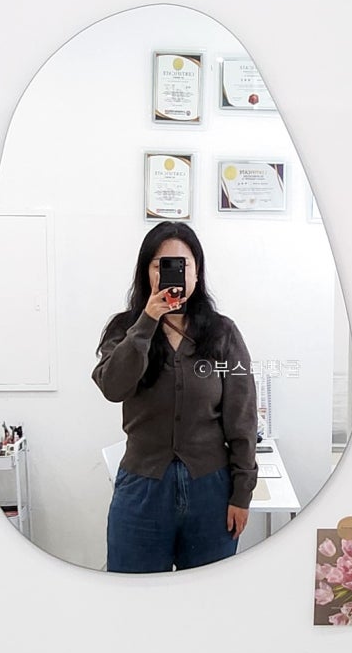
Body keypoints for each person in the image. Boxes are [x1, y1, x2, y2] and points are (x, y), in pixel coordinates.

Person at [92, 222, 257, 573]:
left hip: (210, 488)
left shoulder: (223, 333)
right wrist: (148, 320)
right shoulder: (124, 329)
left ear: (197, 272)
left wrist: (242, 492)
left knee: (207, 596)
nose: (174, 274)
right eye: (161, 265)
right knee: (133, 594)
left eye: (183, 264)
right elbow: (113, 387)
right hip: (142, 488)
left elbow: (242, 417)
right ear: (147, 271)